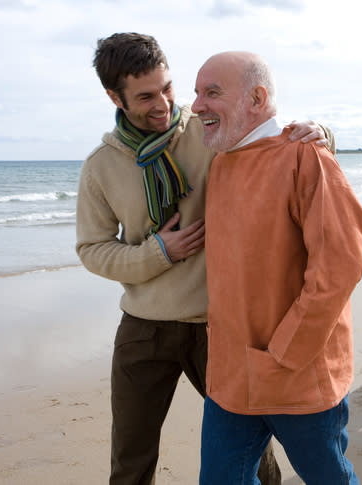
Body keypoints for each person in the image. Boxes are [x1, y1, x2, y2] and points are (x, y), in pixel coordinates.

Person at [75, 33, 331, 485]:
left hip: (221, 325)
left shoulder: (211, 129)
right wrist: (158, 253)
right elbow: (93, 249)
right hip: (144, 326)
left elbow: (270, 139)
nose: (164, 103)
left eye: (168, 88)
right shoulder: (101, 166)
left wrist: (320, 133)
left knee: (254, 456)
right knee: (130, 459)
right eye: (146, 96)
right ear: (113, 97)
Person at [191, 51, 362, 485]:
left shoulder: (306, 157)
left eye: (212, 92)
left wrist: (284, 354)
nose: (196, 106)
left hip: (298, 378)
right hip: (230, 380)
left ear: (257, 97)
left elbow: (340, 266)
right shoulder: (220, 161)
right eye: (196, 94)